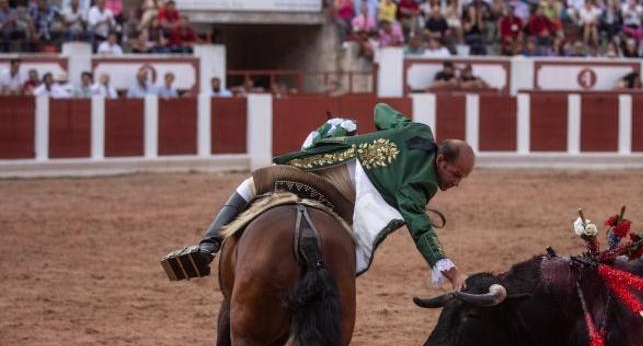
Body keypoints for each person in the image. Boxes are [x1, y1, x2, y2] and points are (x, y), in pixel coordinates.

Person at [164, 103, 474, 291]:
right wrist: (454, 275)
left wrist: (385, 134)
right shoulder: (418, 187)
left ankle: (207, 247)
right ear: (440, 161)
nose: (456, 183)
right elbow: (421, 230)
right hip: (347, 198)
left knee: (257, 183)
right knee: (343, 261)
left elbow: (380, 109)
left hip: (332, 161)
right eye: (456, 175)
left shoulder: (416, 131)